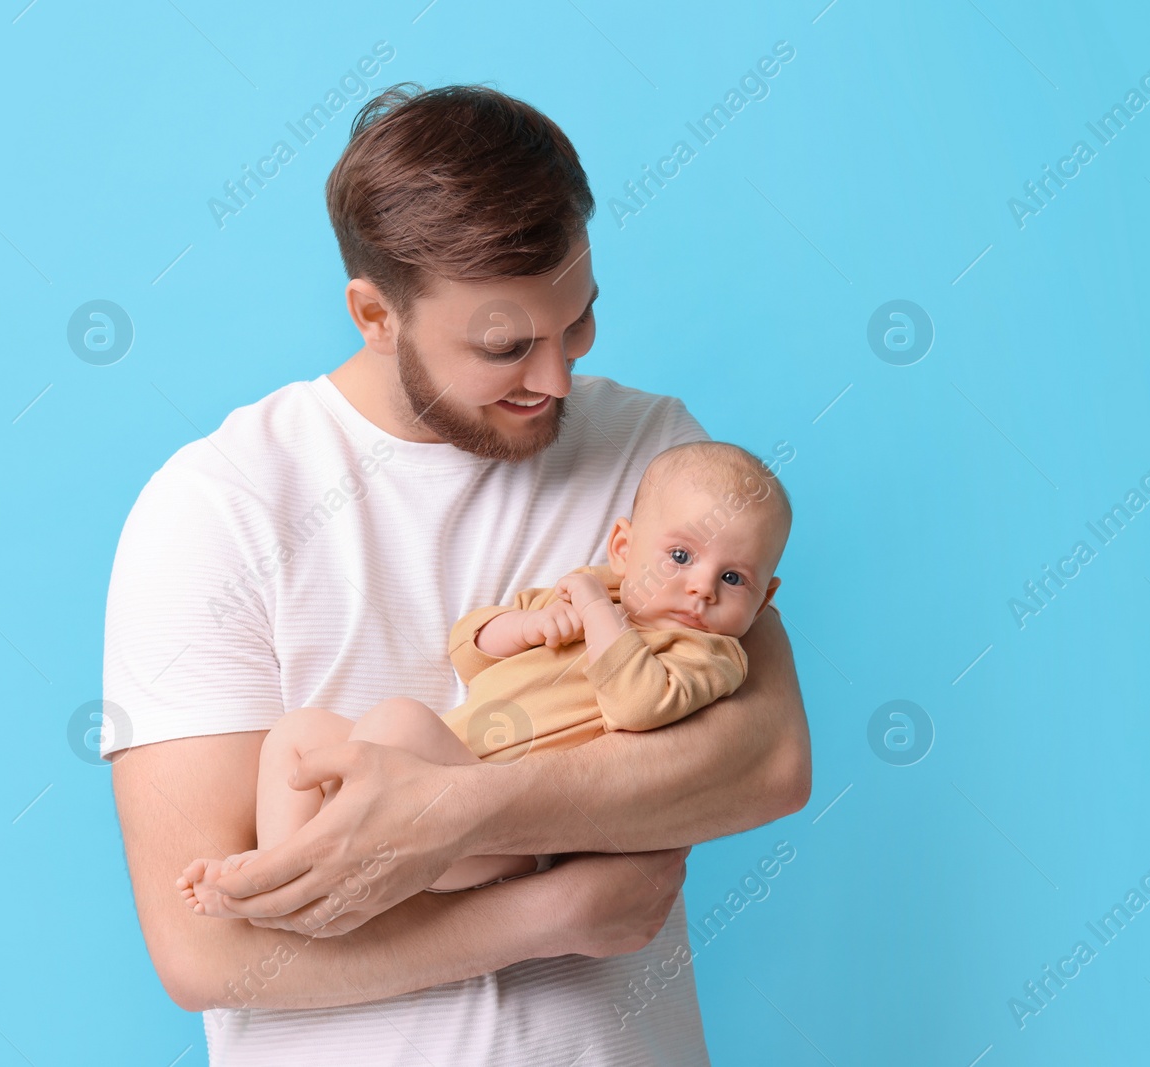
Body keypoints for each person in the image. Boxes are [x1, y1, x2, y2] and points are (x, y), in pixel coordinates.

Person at [102, 83, 810, 1065]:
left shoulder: (659, 463)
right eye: (505, 345)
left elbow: (767, 761)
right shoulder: (216, 507)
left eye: (578, 322)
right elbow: (203, 948)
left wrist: (465, 808)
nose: (556, 377)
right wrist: (551, 911)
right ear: (373, 314)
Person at [176, 441, 793, 911]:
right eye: (680, 556)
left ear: (764, 600)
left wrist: (599, 614)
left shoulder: (709, 654)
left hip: (501, 835)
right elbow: (469, 652)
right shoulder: (588, 590)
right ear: (625, 548)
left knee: (396, 720)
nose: (700, 587)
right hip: (439, 765)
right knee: (300, 731)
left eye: (733, 578)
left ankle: (287, 878)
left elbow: (637, 704)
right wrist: (523, 627)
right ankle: (276, 870)